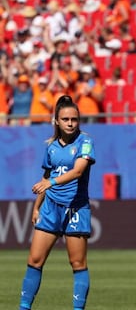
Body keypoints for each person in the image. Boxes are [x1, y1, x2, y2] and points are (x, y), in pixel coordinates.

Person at [19, 95, 96, 310]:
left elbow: (78, 171)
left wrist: (50, 182)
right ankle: (24, 307)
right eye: (66, 119)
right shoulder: (51, 147)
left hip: (76, 209)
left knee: (78, 264)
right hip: (51, 207)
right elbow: (45, 180)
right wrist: (36, 208)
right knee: (34, 260)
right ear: (57, 122)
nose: (70, 123)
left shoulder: (86, 142)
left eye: (74, 119)